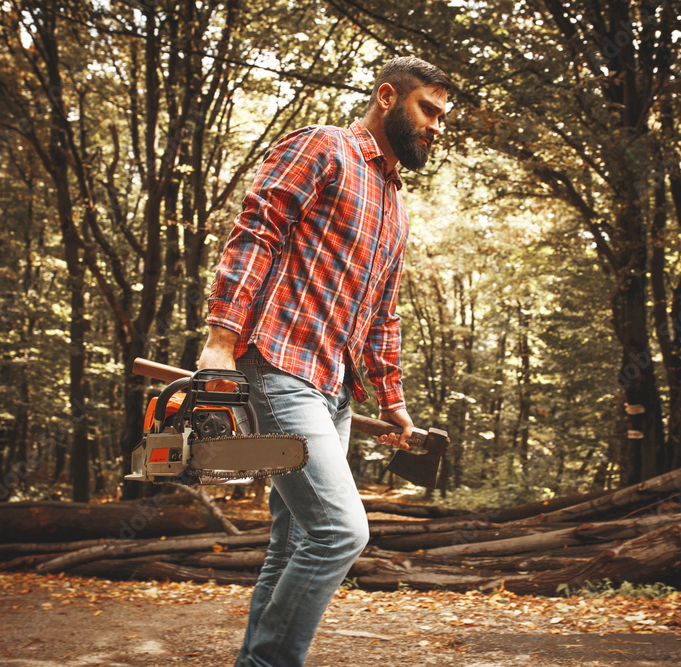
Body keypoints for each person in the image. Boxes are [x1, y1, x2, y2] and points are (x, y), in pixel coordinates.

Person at [196, 56, 452, 667]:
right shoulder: (326, 148)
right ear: (388, 97)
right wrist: (221, 340)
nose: (437, 127)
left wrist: (393, 405)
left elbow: (382, 310)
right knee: (342, 532)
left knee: (292, 545)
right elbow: (257, 232)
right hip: (277, 366)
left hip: (332, 390)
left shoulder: (395, 203)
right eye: (428, 110)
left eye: (444, 118)